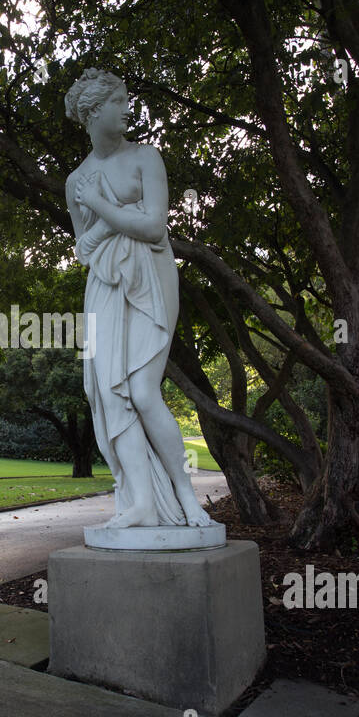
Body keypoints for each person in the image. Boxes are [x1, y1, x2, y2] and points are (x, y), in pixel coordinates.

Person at [63, 68, 214, 529]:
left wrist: (106, 211)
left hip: (149, 279)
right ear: (93, 111)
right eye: (120, 101)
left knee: (144, 391)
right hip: (105, 287)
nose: (129, 109)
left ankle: (188, 500)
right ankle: (142, 504)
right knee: (112, 396)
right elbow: (82, 249)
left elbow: (153, 228)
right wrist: (118, 215)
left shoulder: (146, 158)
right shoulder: (76, 182)